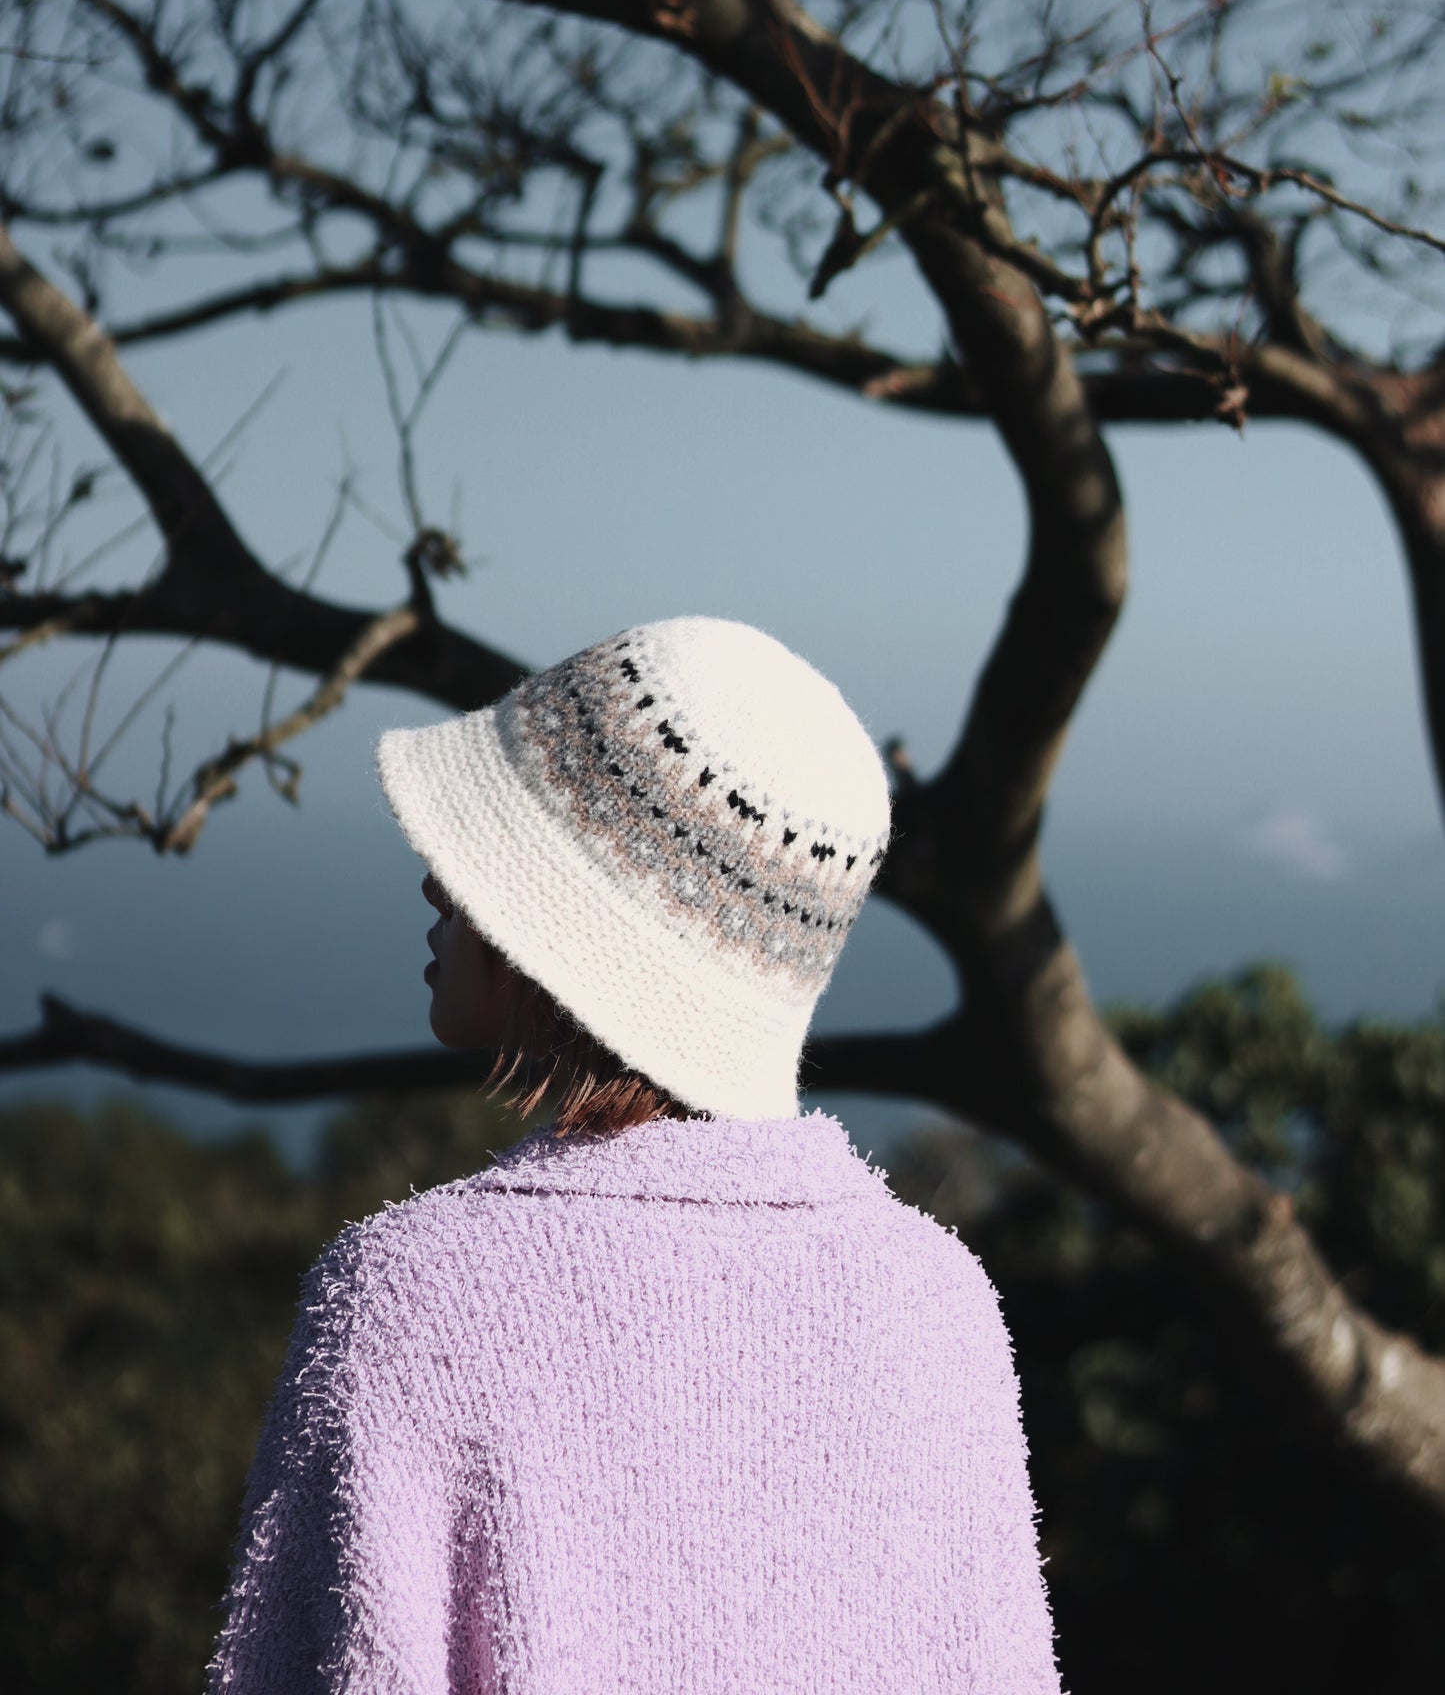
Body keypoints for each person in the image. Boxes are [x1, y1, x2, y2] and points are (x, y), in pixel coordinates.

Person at [206, 615, 1062, 1694]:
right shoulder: (939, 1306)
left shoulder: (414, 1298)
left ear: (565, 917)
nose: (434, 875)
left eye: (484, 844)